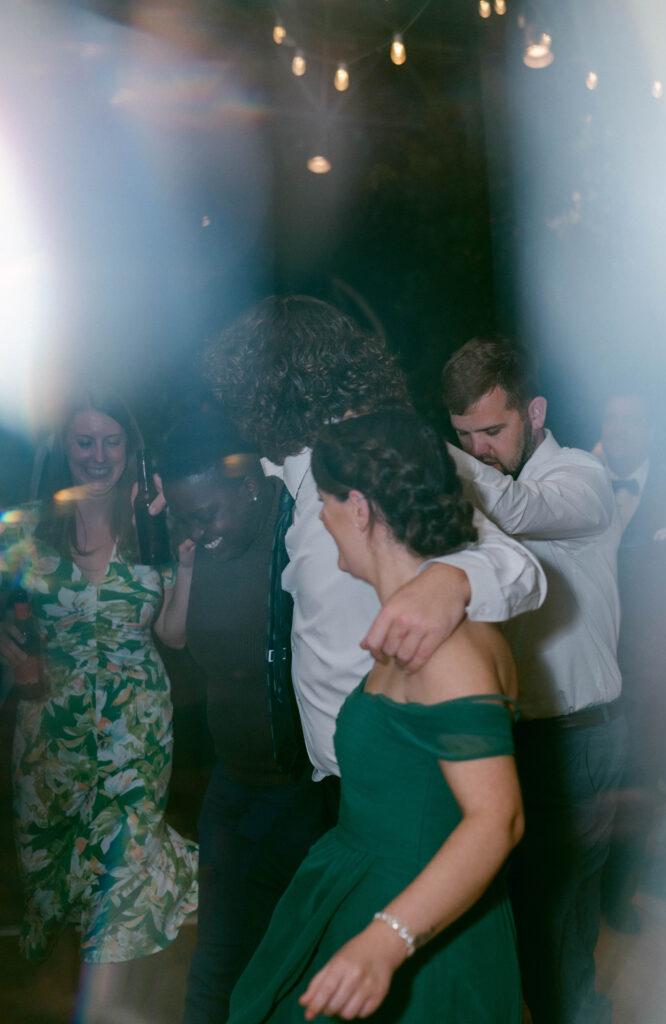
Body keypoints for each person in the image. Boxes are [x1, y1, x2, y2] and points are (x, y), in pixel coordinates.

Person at [200, 295, 544, 960]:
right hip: (325, 791)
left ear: (266, 392)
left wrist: (455, 580)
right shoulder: (288, 464)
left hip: (394, 786)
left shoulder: (383, 456)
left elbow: (522, 567)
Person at [229, 408, 524, 1024]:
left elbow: (498, 820)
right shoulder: (417, 625)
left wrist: (386, 941)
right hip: (367, 886)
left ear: (358, 509)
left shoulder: (444, 648)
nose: (322, 519)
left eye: (325, 502)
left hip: (414, 919)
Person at [442, 335, 626, 1024]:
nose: (481, 448)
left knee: (548, 925)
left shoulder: (583, 477)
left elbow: (519, 512)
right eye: (463, 435)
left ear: (536, 412)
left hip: (579, 741)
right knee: (547, 927)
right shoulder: (476, 494)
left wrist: (440, 456)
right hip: (514, 735)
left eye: (493, 430)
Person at [0, 390, 198, 966]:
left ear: (129, 447)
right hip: (48, 724)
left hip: (135, 722)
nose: (98, 454)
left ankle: (113, 984)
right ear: (65, 447)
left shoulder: (152, 522)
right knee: (46, 854)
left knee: (124, 860)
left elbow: (176, 635)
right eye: (84, 440)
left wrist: (185, 567)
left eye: (111, 441)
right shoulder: (28, 528)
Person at [156, 410, 309, 1024]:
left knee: (301, 971)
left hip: (307, 799)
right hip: (232, 789)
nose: (195, 529)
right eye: (182, 514)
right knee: (215, 969)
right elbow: (184, 634)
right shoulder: (197, 539)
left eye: (205, 513)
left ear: (249, 484)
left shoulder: (302, 529)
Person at [596, 391, 666, 932]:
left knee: (648, 778)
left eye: (631, 423)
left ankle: (621, 896)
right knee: (611, 784)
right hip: (597, 661)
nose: (619, 431)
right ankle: (602, 897)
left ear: (649, 432)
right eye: (612, 419)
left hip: (660, 667)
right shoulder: (582, 480)